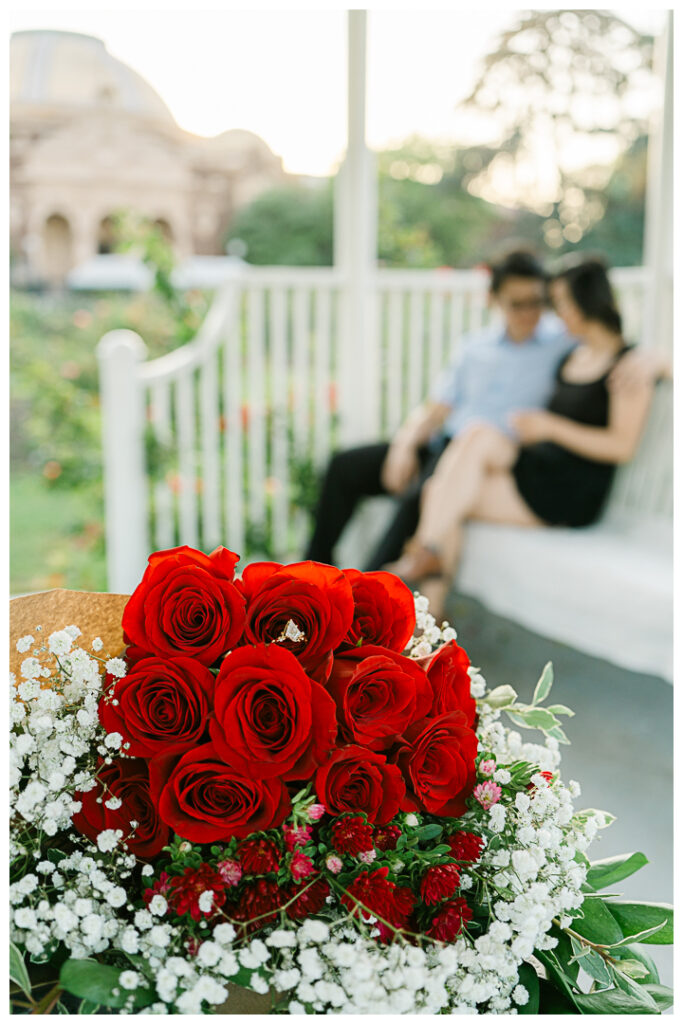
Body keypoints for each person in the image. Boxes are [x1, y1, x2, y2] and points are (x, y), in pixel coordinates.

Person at [384, 257, 660, 620]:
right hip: (541, 468)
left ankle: (424, 571)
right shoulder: (573, 353)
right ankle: (429, 609)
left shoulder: (627, 367)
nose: (552, 313)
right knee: (461, 458)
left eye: (558, 303)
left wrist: (550, 427)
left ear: (582, 304)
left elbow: (622, 447)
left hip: (572, 490)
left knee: (443, 491)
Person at [305, 248, 574, 570]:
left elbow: (610, 344)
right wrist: (404, 444)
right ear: (494, 299)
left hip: (488, 461)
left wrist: (651, 361)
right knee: (344, 466)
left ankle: (368, 595)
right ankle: (311, 578)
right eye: (517, 304)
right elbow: (437, 407)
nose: (528, 313)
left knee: (419, 495)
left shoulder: (561, 342)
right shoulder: (475, 347)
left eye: (536, 302)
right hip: (441, 443)